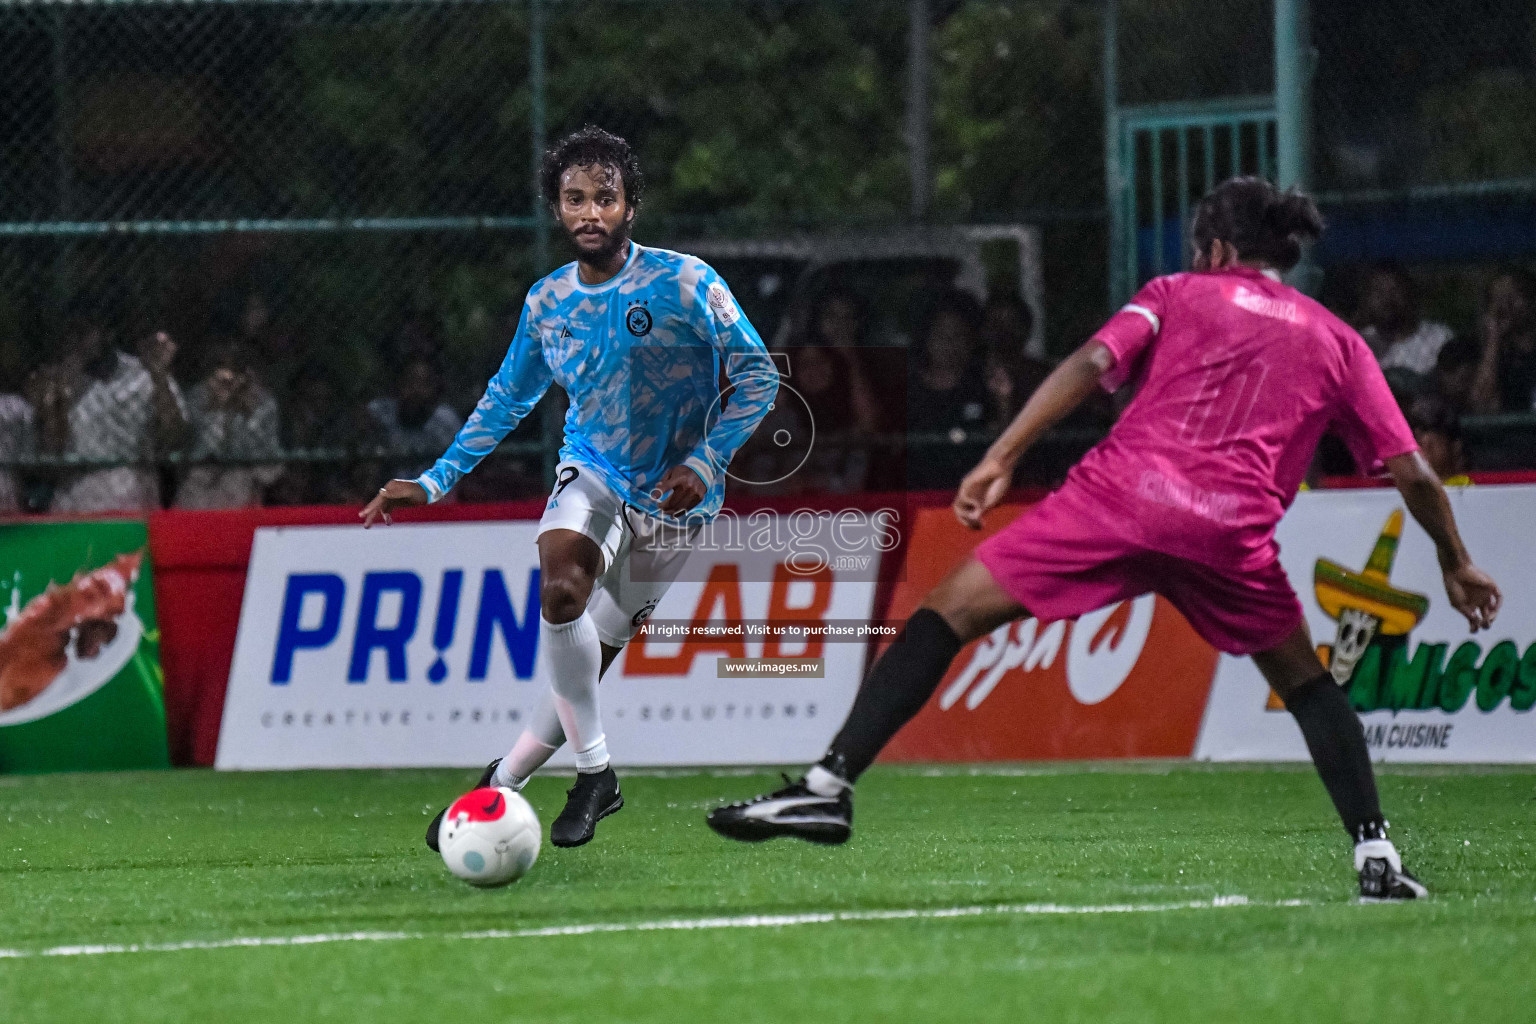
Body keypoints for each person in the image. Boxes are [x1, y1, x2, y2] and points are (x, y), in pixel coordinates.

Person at [708, 177, 1501, 902]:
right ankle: (1376, 858)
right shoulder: (1338, 340)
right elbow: (1415, 475)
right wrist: (1456, 563)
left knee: (948, 611)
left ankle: (829, 781)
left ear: (1215, 250)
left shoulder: (1177, 291)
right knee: (1307, 685)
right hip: (1231, 533)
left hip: (1124, 498)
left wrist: (1000, 455)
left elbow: (1091, 360)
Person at [360, 126, 778, 849]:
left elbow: (759, 377)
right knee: (559, 592)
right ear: (558, 209)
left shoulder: (687, 283)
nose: (589, 212)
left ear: (630, 207)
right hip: (592, 471)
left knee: (585, 667)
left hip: (679, 503)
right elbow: (503, 400)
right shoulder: (547, 302)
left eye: (604, 198)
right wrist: (434, 481)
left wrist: (708, 461)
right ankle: (597, 774)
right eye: (574, 199)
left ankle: (504, 781)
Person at [30, 302, 189, 513]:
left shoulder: (144, 373)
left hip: (132, 501)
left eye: (85, 331)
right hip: (74, 504)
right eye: (72, 332)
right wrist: (54, 408)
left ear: (107, 332)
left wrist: (159, 377)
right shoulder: (59, 379)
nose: (78, 340)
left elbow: (174, 438)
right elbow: (48, 457)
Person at [175, 341, 282, 509]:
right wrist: (217, 408)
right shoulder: (197, 396)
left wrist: (246, 413)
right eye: (220, 366)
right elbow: (193, 450)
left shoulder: (262, 402)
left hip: (242, 489)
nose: (226, 375)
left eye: (234, 367)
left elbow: (268, 466)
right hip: (199, 489)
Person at [907, 290, 989, 488]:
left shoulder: (984, 386)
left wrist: (1004, 399)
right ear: (926, 338)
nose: (950, 345)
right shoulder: (906, 388)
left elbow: (999, 441)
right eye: (942, 335)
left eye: (958, 335)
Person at [1353, 261, 1453, 388]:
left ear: (1408, 293)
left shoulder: (1439, 337)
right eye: (1379, 292)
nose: (1387, 299)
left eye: (1394, 290)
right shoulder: (1359, 344)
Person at [366, 356, 463, 482]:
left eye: (423, 384)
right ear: (399, 385)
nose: (416, 391)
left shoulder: (446, 421)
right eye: (410, 383)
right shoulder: (383, 413)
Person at [1469, 267, 1536, 414]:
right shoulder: (1492, 353)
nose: (1506, 306)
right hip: (1508, 434)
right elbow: (1480, 404)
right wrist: (1494, 338)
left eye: (1512, 297)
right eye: (1498, 299)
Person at [1404, 393, 1470, 485]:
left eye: (1426, 429)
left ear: (1455, 446)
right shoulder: (1397, 489)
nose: (1422, 440)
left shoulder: (1468, 491)